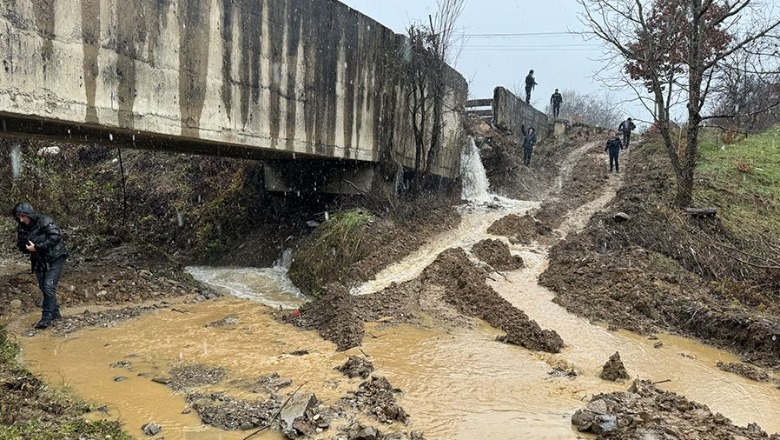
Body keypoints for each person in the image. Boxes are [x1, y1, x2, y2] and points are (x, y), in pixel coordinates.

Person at [11, 203, 68, 329]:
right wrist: (27, 248)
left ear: (29, 214)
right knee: (44, 287)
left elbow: (56, 236)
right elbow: (21, 245)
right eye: (18, 217)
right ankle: (55, 313)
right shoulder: (21, 228)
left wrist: (37, 246)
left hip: (55, 257)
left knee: (48, 286)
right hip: (39, 259)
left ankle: (46, 317)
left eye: (23, 217)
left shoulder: (44, 220)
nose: (21, 220)